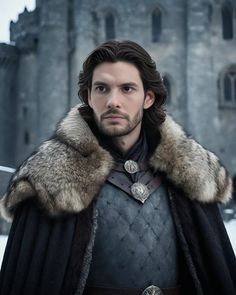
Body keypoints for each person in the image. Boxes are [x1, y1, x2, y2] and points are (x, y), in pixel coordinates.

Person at [0, 40, 235, 295]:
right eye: (102, 88)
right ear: (89, 97)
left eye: (127, 89)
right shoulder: (48, 181)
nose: (113, 101)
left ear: (148, 97)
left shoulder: (191, 174)